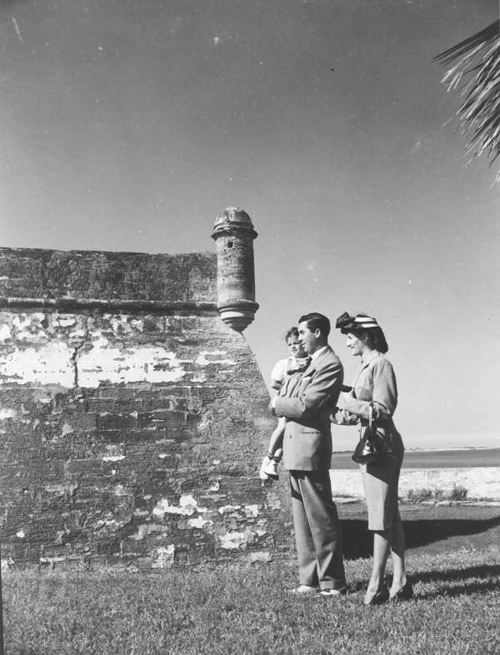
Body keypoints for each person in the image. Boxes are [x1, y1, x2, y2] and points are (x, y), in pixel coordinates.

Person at [332, 311, 413, 605]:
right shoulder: (364, 367)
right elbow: (351, 412)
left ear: (365, 337)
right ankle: (400, 581)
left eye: (350, 338)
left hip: (382, 446)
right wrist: (330, 405)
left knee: (380, 519)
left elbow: (384, 409)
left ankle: (377, 584)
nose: (348, 344)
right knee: (389, 514)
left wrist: (348, 400)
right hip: (372, 445)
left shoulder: (381, 364)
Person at [272, 312, 346, 597]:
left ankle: (332, 582)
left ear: (317, 332)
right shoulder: (311, 363)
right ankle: (309, 580)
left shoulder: (329, 363)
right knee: (303, 521)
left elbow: (307, 406)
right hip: (296, 448)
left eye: (303, 332)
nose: (299, 338)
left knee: (320, 518)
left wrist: (278, 403)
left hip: (309, 448)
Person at [259, 327, 310, 481]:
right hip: (285, 399)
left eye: (296, 343)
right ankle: (268, 458)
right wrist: (292, 386)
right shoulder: (285, 363)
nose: (293, 347)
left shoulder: (311, 361)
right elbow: (274, 383)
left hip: (299, 402)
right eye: (290, 344)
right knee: (282, 427)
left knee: (288, 432)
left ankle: (274, 463)